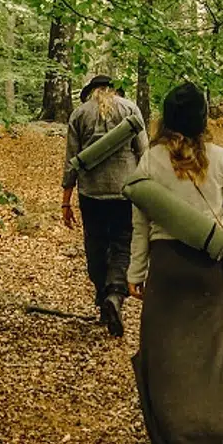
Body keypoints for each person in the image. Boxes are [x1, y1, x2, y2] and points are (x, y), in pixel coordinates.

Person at [127, 82, 223, 444]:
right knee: (221, 354)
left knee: (168, 356)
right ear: (203, 118)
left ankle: (185, 442)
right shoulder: (222, 159)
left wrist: (135, 272)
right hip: (214, 268)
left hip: (169, 268)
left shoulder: (150, 161)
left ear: (166, 117)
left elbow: (141, 224)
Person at [63, 74, 148, 337]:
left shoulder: (79, 114)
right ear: (113, 90)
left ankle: (103, 298)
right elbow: (144, 151)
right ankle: (114, 294)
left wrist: (65, 201)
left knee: (96, 245)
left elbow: (71, 161)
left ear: (90, 92)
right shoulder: (130, 109)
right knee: (123, 245)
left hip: (91, 193)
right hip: (126, 191)